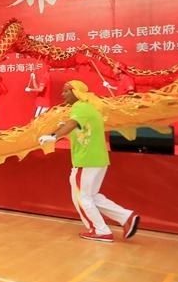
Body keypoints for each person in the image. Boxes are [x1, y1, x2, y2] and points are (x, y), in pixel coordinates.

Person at [38, 81, 139, 243]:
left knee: (82, 198)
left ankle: (100, 231)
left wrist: (53, 137)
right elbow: (78, 129)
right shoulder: (90, 108)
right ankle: (126, 217)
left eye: (66, 91)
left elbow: (72, 124)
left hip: (86, 160)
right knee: (91, 196)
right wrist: (60, 130)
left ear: (76, 92)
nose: (62, 94)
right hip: (98, 159)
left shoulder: (80, 107)